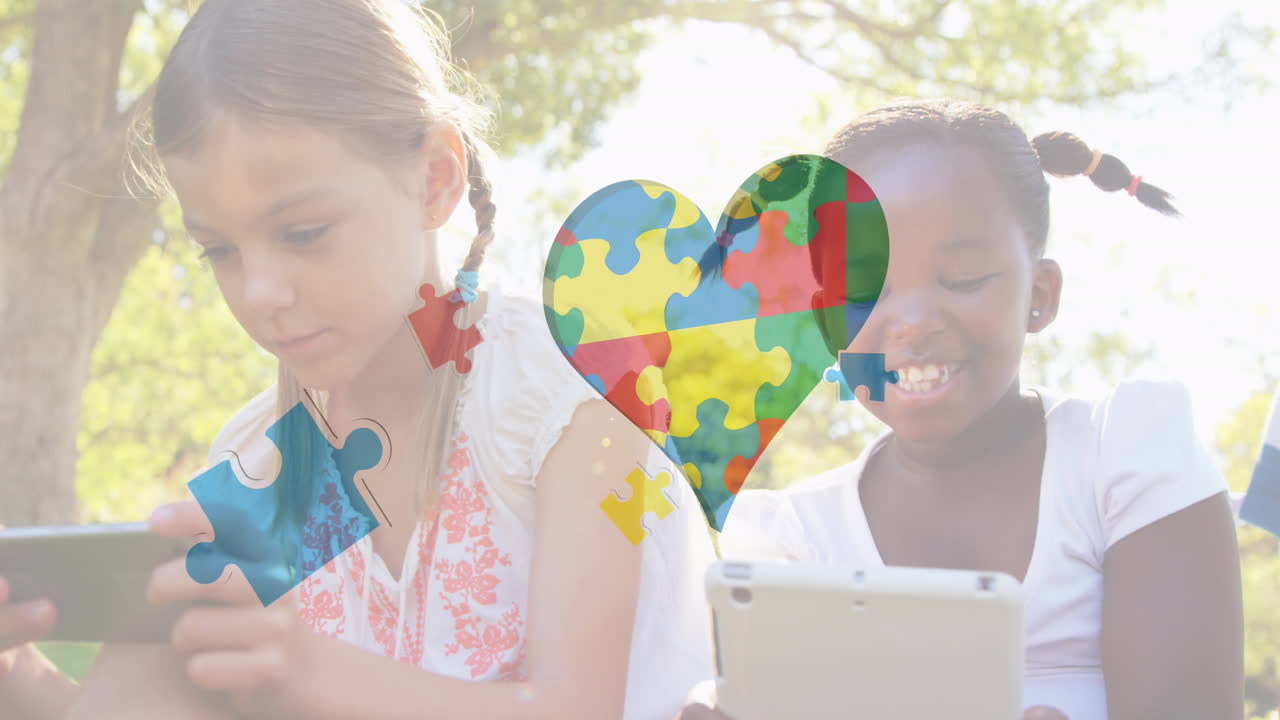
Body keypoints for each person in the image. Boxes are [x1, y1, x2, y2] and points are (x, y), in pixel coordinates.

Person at [0, 1, 715, 718]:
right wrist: (17, 673)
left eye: (304, 232)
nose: (261, 292)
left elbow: (575, 710)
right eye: (219, 250)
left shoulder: (570, 401)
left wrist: (303, 670)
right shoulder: (273, 475)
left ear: (436, 179)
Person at [681, 99, 1244, 720]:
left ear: (1041, 295)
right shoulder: (793, 544)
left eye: (964, 278)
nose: (913, 322)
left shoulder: (1123, 465)